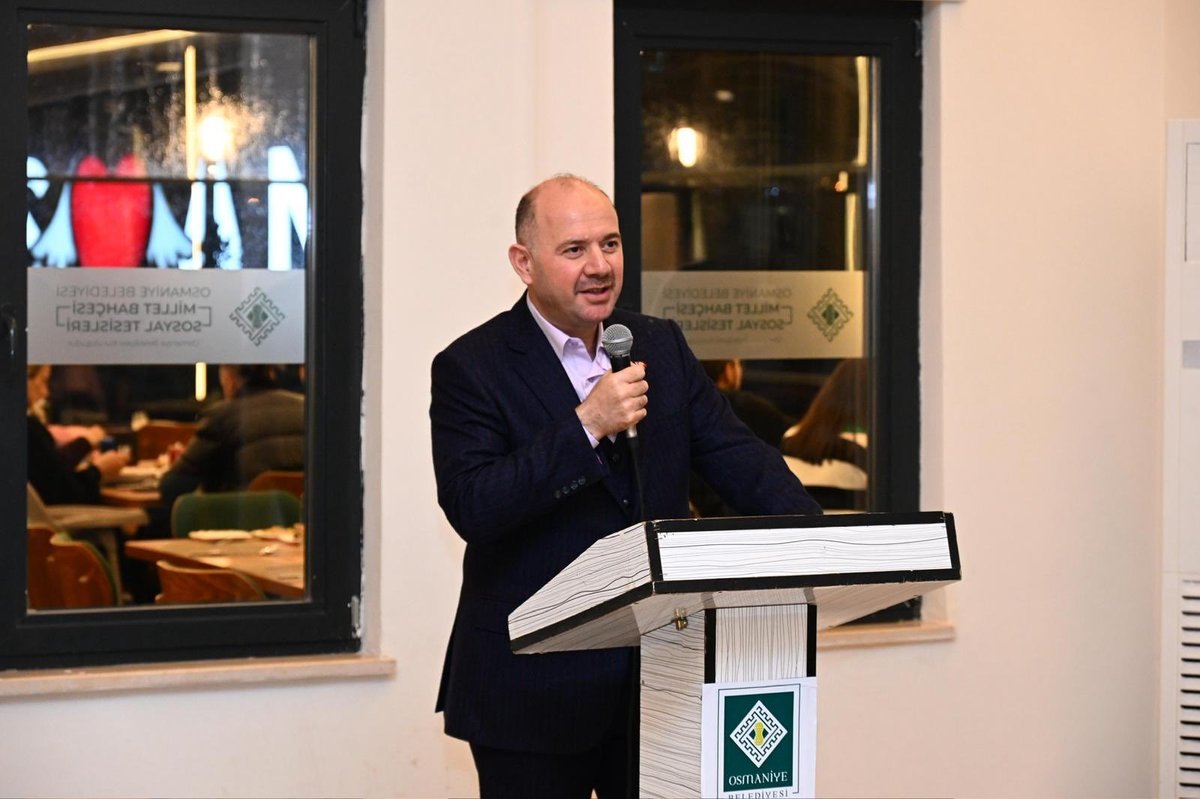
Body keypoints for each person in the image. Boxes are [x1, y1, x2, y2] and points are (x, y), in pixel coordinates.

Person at [429, 174, 821, 798]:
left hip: (657, 681)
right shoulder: (472, 366)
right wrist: (587, 425)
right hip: (532, 690)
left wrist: (821, 541)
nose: (599, 266)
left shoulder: (658, 345)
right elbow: (474, 505)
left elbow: (738, 457)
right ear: (524, 263)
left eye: (609, 244)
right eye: (574, 249)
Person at [157, 364, 304, 512]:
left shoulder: (222, 416)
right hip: (303, 520)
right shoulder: (305, 406)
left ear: (230, 378)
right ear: (271, 373)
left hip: (242, 520)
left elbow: (172, 487)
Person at [26, 364, 128, 505]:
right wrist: (99, 470)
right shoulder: (29, 428)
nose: (46, 393)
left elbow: (52, 470)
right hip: (58, 516)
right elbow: (67, 493)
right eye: (44, 381)